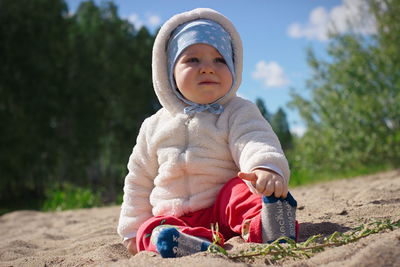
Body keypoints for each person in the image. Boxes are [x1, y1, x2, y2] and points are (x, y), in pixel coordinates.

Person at [117, 7, 298, 258]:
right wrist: (131, 229)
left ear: (234, 68)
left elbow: (254, 139)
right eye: (193, 60)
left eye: (220, 60)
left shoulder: (237, 111)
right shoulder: (153, 126)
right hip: (173, 216)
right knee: (148, 230)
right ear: (169, 71)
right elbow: (138, 180)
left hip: (224, 210)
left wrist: (265, 167)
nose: (208, 68)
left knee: (243, 190)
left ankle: (269, 224)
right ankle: (191, 243)